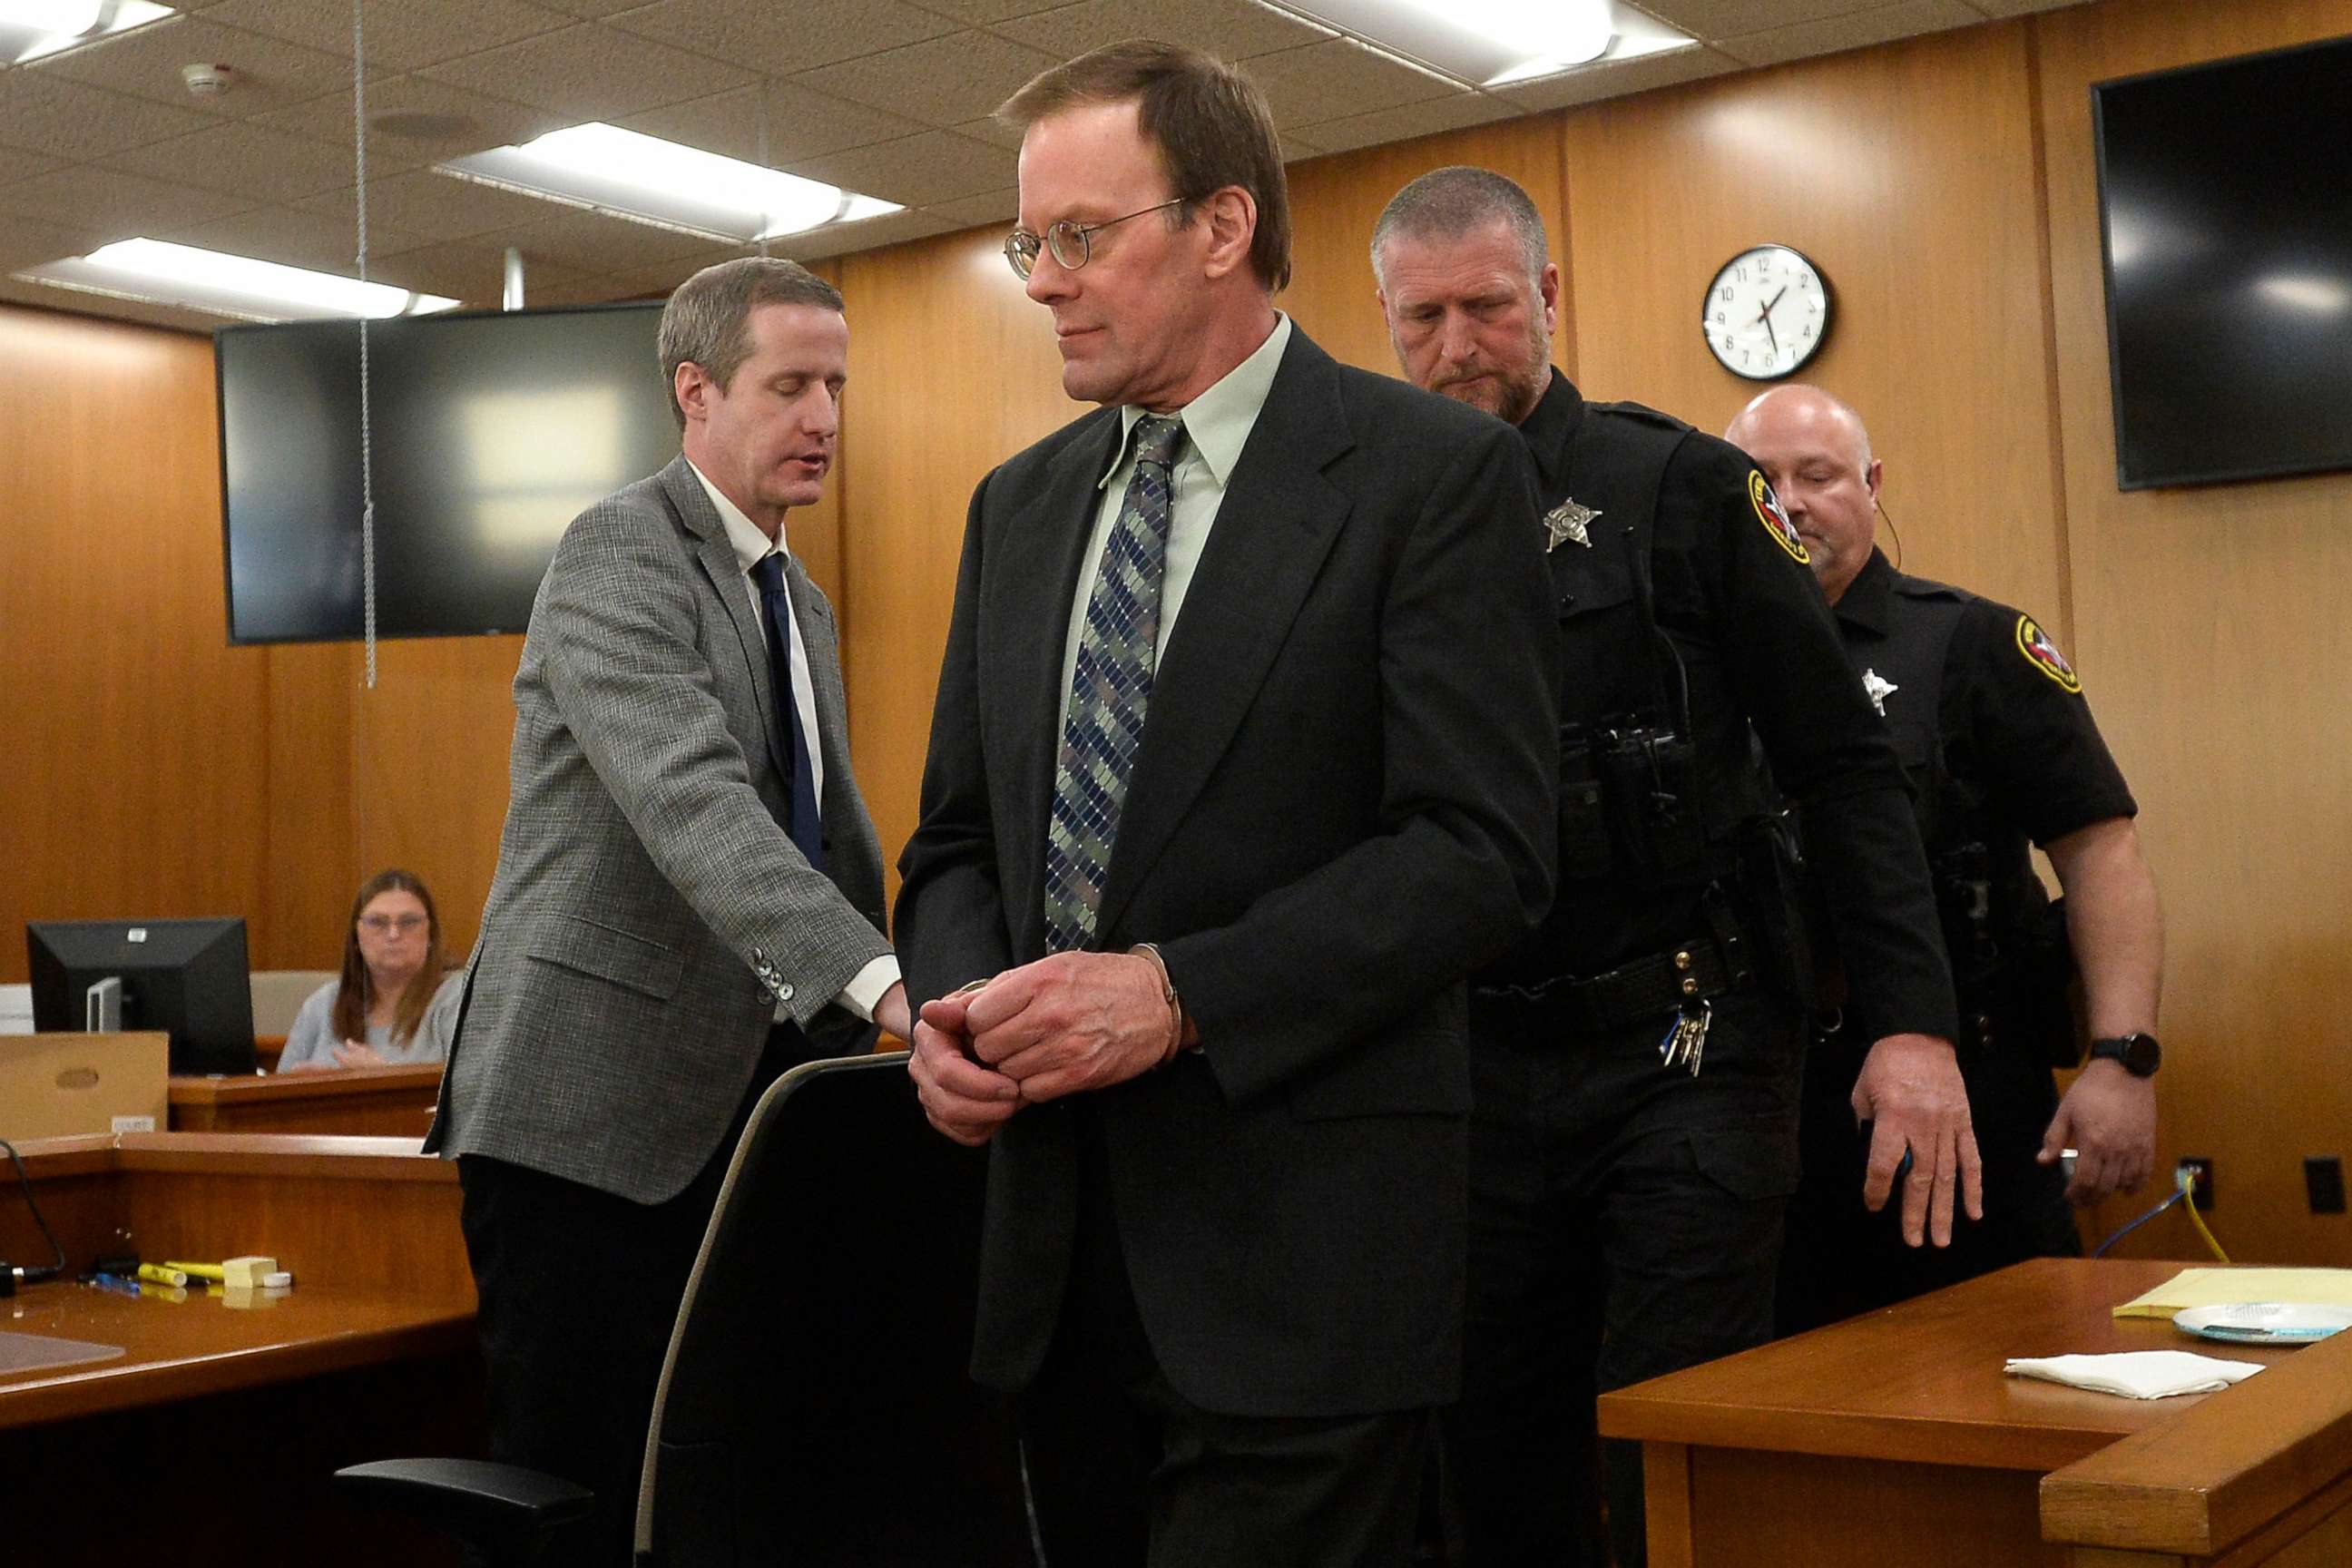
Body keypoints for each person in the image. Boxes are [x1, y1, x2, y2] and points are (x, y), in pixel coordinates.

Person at [894, 44, 1559, 1568]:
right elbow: (952, 841)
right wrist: (955, 1006)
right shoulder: (1019, 504)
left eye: (1078, 237)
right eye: (1028, 246)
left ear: (1219, 226)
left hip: (1300, 1262)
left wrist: (1181, 992)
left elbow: (1481, 850)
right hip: (1049, 1259)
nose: (1045, 281)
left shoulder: (1431, 475)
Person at [1370, 166, 1976, 1568]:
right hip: (1474, 1062)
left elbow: (1842, 769)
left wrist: (1914, 1025)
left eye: (1487, 308)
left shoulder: (1683, 487)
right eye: (1423, 319)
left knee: (1670, 1449)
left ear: (1548, 297)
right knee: (1489, 1458)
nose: (1458, 346)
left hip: (1687, 1049)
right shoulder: (1368, 511)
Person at [424, 257, 906, 1565]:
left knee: (722, 1485)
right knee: (581, 1489)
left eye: (838, 387)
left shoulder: (794, 595)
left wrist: (931, 969)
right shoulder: (620, 548)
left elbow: (826, 836)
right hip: (586, 1125)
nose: (826, 417)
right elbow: (695, 807)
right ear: (694, 392)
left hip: (739, 1111)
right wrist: (882, 988)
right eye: (791, 385)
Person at [1725, 384, 2162, 1328]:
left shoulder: (1971, 642)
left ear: (1872, 486)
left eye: (1820, 475)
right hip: (1760, 1101)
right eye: (1765, 482)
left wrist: (2122, 1059)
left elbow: (2100, 851)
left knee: (2004, 1363)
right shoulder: (1698, 665)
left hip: (1968, 1086)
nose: (1793, 501)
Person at [278, 867, 464, 1071]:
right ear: (356, 937)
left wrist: (383, 1077)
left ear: (431, 934)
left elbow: (471, 1092)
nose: (393, 934)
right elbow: (276, 1090)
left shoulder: (456, 998)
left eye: (409, 922)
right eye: (377, 922)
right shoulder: (323, 1004)